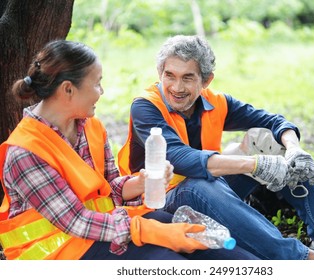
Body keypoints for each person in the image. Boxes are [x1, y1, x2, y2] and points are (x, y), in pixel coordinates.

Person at [118, 34, 314, 260]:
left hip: (207, 188)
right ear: (159, 73)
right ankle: (302, 259)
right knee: (201, 184)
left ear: (206, 80)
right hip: (160, 200)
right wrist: (256, 165)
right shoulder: (145, 106)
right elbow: (180, 158)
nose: (177, 87)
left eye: (188, 78)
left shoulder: (216, 101)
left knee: (268, 141)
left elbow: (273, 121)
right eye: (170, 75)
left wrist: (293, 149)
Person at [0, 39, 259, 260]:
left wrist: (139, 183)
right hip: (60, 254)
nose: (102, 91)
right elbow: (76, 221)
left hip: (109, 228)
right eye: (97, 83)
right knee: (170, 260)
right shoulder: (25, 152)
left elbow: (109, 188)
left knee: (205, 243)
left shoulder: (91, 126)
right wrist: (148, 231)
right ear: (68, 89)